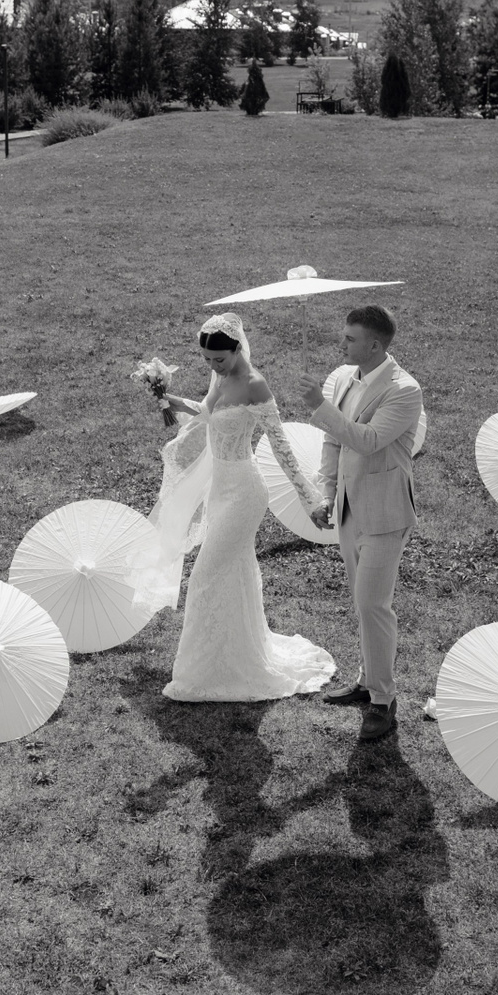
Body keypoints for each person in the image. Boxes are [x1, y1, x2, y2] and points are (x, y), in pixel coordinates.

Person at [149, 313, 335, 702]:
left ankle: (199, 674)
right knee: (234, 574)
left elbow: (281, 447)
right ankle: (231, 659)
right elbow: (207, 413)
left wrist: (311, 499)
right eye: (206, 360)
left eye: (219, 359)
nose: (213, 367)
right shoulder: (220, 378)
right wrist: (173, 401)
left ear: (237, 349)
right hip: (220, 490)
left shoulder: (254, 385)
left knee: (204, 577)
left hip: (245, 493)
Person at [294, 304, 425, 743]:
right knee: (363, 603)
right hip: (350, 510)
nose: (342, 343)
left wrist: (318, 406)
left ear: (375, 345)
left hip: (386, 514)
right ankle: (368, 681)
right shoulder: (347, 379)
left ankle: (383, 702)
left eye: (350, 338)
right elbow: (333, 441)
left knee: (373, 605)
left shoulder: (404, 390)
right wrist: (327, 493)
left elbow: (367, 441)